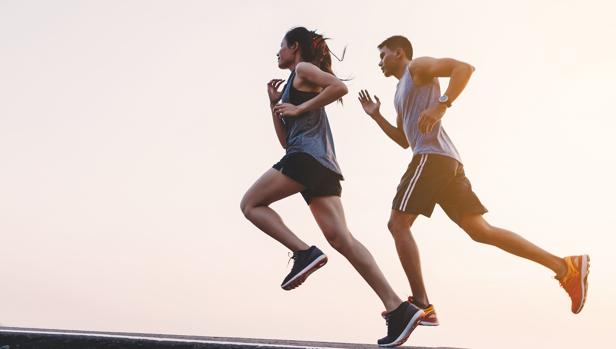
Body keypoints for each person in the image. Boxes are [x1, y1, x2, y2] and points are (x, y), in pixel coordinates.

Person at [357, 35, 589, 325]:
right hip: (445, 161)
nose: (379, 62)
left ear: (399, 52)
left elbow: (463, 68)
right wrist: (376, 117)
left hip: (432, 158)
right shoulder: (399, 93)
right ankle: (565, 266)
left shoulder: (417, 67)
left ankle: (422, 305)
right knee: (481, 231)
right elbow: (404, 140)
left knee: (397, 223)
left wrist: (442, 105)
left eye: (383, 55)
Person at [240, 28, 424, 347]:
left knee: (251, 205)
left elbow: (339, 87)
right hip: (319, 165)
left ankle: (303, 252)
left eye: (281, 47)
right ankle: (398, 309)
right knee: (343, 239)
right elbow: (287, 141)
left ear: (295, 47)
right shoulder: (289, 87)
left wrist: (298, 108)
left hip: (308, 161)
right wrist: (275, 105)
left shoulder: (303, 68)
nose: (277, 54)